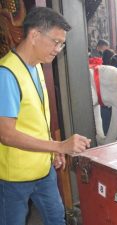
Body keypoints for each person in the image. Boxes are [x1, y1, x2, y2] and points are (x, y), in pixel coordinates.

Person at [0, 7, 91, 225]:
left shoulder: (37, 66)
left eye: (62, 44)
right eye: (55, 42)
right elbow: (6, 134)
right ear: (34, 35)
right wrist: (59, 147)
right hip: (14, 178)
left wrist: (51, 147)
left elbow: (33, 121)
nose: (58, 49)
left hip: (43, 168)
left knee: (56, 218)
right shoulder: (6, 74)